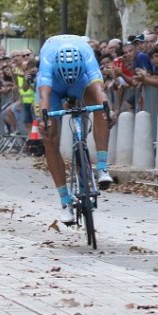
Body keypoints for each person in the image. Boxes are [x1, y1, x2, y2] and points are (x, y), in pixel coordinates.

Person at [35, 35, 115, 224]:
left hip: (82, 80)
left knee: (101, 108)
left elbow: (99, 91)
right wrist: (44, 120)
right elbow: (44, 96)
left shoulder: (87, 56)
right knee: (49, 137)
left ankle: (102, 167)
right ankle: (65, 201)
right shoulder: (47, 60)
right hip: (54, 87)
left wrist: (108, 110)